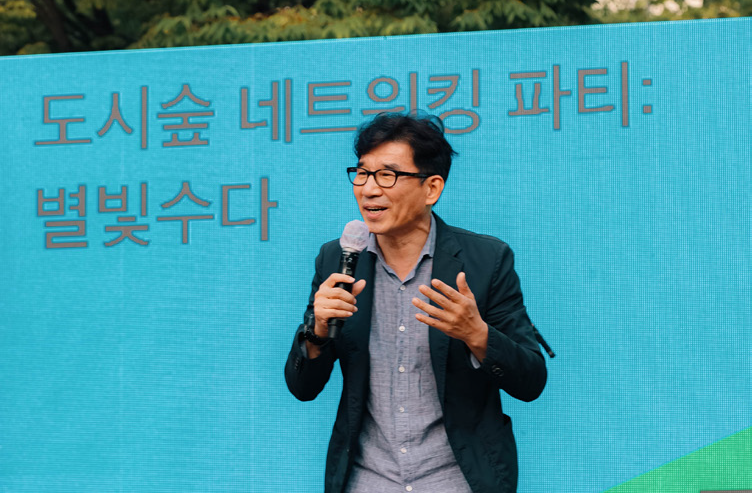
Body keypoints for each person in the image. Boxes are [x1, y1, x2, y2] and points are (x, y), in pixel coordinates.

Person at [285, 112, 547, 493]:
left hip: (456, 481)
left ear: (431, 188)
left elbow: (531, 381)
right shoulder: (338, 260)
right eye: (362, 173)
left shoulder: (485, 262)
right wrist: (317, 332)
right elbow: (302, 386)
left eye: (387, 175)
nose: (368, 189)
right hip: (367, 481)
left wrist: (477, 334)